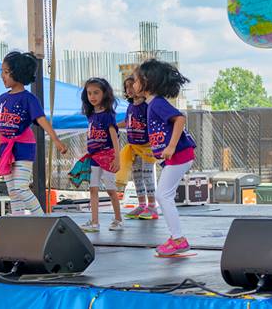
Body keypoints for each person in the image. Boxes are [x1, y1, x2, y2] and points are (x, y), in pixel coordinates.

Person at [135, 59, 197, 257]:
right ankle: (176, 238)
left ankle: (178, 240)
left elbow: (179, 119)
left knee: (163, 195)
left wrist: (170, 146)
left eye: (136, 80)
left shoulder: (157, 103)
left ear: (147, 82)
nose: (133, 85)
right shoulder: (151, 105)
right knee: (164, 195)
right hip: (176, 156)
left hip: (179, 154)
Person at [0, 51, 68, 216]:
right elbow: (0, 128)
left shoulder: (29, 98)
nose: (2, 76)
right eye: (2, 71)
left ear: (18, 73)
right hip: (6, 148)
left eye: (6, 72)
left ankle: (41, 219)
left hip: (23, 146)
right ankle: (19, 222)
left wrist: (56, 140)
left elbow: (41, 119)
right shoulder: (2, 99)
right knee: (13, 191)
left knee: (21, 187)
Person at [79, 78, 123, 232]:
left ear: (104, 94)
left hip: (107, 156)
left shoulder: (108, 115)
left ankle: (118, 219)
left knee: (111, 190)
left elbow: (114, 137)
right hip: (94, 157)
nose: (92, 96)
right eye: (89, 93)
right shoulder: (91, 115)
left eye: (96, 93)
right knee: (93, 189)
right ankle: (95, 222)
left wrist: (117, 157)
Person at [118, 75, 159, 221]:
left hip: (147, 147)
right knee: (136, 176)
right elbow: (127, 122)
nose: (129, 89)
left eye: (132, 86)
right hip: (134, 147)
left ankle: (152, 206)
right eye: (126, 87)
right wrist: (114, 126)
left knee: (147, 175)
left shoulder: (147, 105)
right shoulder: (130, 106)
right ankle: (142, 205)